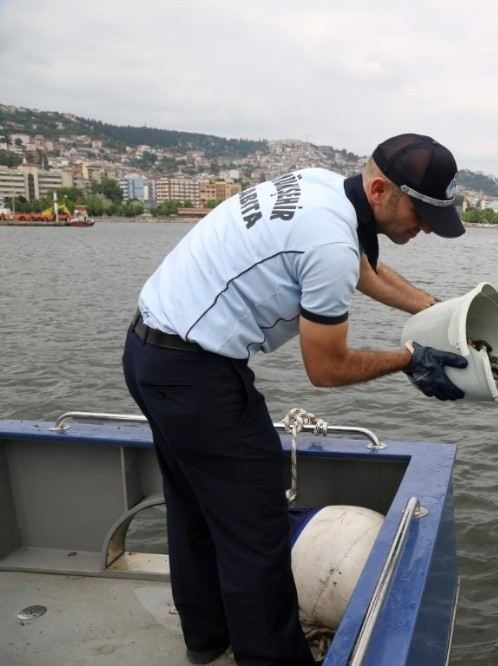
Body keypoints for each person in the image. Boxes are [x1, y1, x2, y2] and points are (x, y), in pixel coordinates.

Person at [121, 134, 469, 665]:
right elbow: (325, 369)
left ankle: (207, 638)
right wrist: (409, 359)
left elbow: (362, 268)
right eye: (420, 214)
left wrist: (435, 309)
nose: (422, 228)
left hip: (150, 352)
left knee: (194, 506)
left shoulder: (323, 189)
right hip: (196, 375)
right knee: (257, 532)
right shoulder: (328, 242)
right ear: (380, 190)